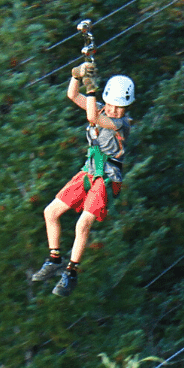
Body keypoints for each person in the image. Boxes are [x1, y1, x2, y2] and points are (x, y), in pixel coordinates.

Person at [30, 62, 134, 297]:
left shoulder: (122, 124)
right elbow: (71, 94)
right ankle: (54, 259)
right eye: (112, 105)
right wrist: (77, 74)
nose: (115, 111)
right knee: (50, 212)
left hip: (107, 176)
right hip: (88, 170)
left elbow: (92, 118)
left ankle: (71, 272)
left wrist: (91, 87)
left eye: (121, 107)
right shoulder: (99, 107)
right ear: (106, 100)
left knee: (82, 223)